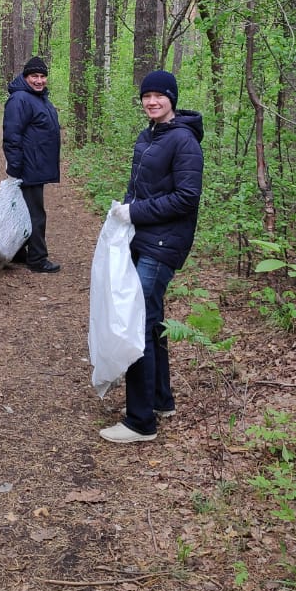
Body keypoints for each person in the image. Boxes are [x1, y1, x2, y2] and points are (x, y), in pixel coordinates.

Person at [99, 70, 204, 444]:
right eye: (147, 96)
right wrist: (125, 210)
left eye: (159, 96)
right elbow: (139, 187)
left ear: (172, 99)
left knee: (136, 322)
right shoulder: (148, 136)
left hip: (165, 243)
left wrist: (136, 212)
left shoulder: (184, 141)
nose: (152, 101)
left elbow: (186, 198)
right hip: (143, 238)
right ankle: (161, 400)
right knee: (151, 317)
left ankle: (140, 421)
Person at [2, 55, 62, 273]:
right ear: (26, 77)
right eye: (34, 76)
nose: (39, 80)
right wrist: (15, 168)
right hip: (28, 167)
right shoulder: (20, 99)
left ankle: (18, 252)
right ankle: (37, 259)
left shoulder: (39, 97)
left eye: (42, 76)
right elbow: (12, 135)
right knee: (35, 214)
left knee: (24, 211)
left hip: (36, 165)